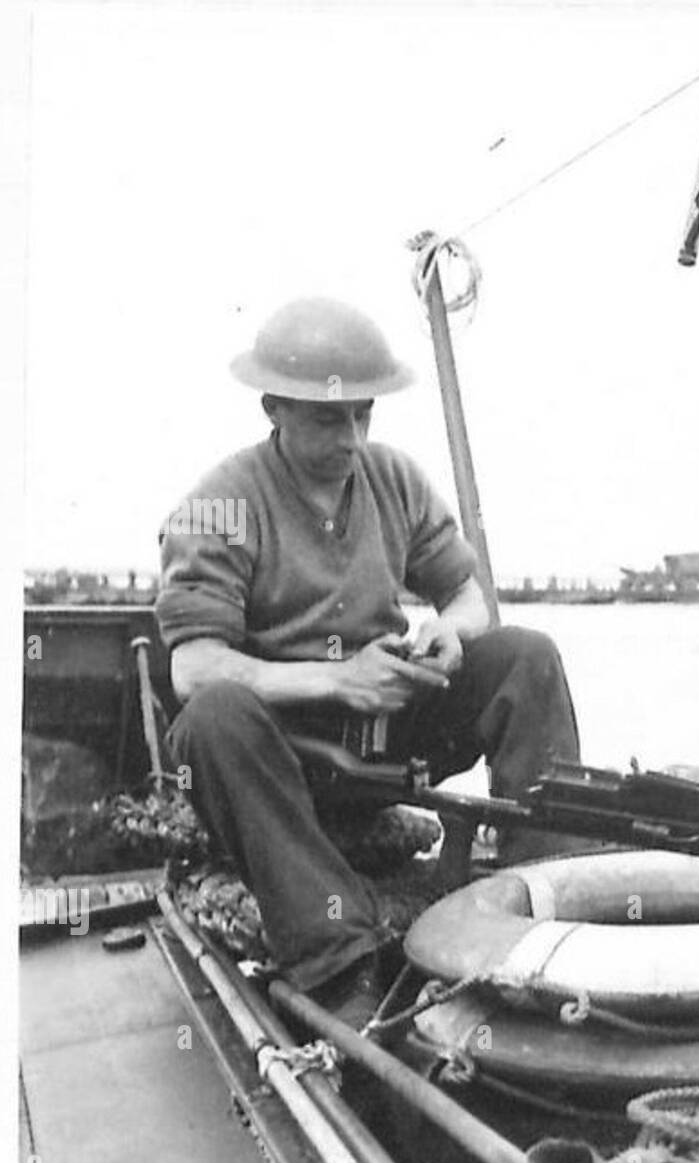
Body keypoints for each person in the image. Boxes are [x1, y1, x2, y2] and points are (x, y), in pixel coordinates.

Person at [157, 297, 582, 1026]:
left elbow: (470, 598)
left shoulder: (395, 480)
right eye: (328, 419)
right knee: (213, 719)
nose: (351, 437)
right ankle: (341, 964)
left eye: (363, 415)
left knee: (525, 657)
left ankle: (548, 901)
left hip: (386, 734)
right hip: (281, 754)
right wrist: (340, 680)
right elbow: (193, 669)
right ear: (274, 409)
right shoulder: (218, 504)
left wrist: (449, 632)